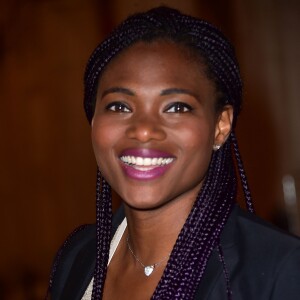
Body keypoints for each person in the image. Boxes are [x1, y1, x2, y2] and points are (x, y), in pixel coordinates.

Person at [47, 6, 300, 300]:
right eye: (119, 106)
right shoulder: (76, 258)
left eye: (177, 107)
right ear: (93, 121)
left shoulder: (279, 270)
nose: (142, 130)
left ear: (220, 125)